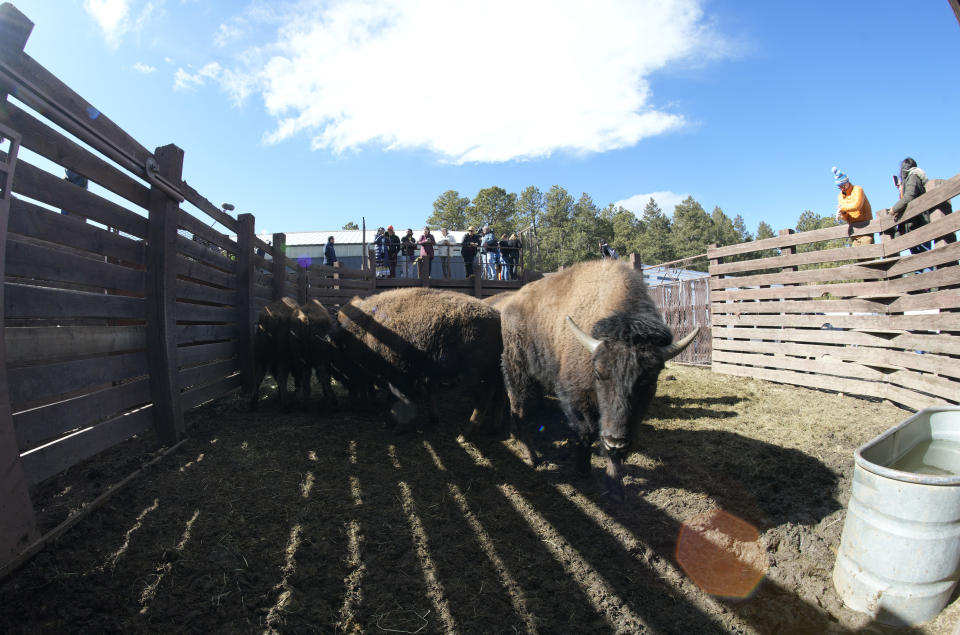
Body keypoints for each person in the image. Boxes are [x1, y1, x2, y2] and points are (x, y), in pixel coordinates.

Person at [883, 157, 931, 254]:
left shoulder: (913, 177)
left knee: (923, 256)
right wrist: (901, 189)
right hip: (916, 222)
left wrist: (894, 209)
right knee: (920, 257)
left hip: (918, 222)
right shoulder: (912, 178)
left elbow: (909, 196)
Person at [832, 167, 874, 245]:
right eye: (839, 187)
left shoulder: (858, 189)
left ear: (847, 182)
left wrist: (842, 208)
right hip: (854, 231)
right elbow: (846, 217)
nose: (842, 189)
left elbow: (857, 205)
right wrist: (842, 214)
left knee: (867, 251)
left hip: (866, 228)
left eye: (843, 186)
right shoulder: (840, 197)